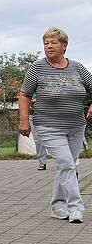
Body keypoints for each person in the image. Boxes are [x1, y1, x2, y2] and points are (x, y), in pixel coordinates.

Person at [18, 27, 92, 223]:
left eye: (53, 42)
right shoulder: (37, 68)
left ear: (64, 46)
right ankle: (76, 208)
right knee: (68, 164)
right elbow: (24, 94)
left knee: (65, 166)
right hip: (48, 125)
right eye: (46, 43)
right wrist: (24, 120)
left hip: (76, 125)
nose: (49, 46)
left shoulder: (77, 68)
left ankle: (57, 206)